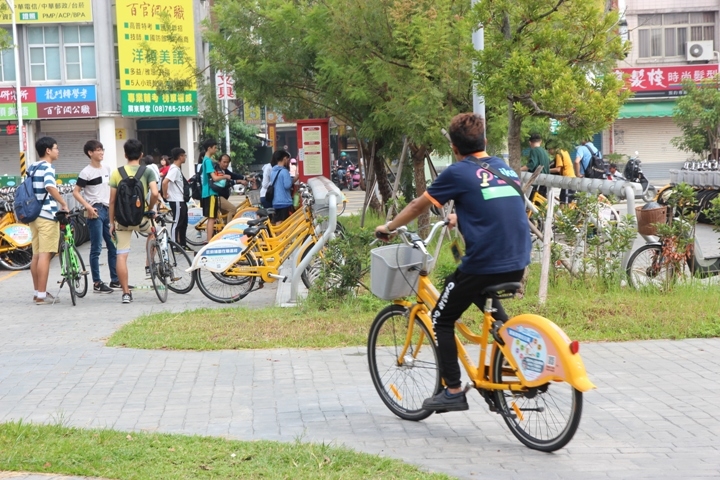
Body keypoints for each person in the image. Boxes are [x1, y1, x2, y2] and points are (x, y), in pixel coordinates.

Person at [375, 113, 531, 412]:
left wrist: (389, 227)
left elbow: (417, 205)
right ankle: (513, 360)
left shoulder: (458, 172)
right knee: (488, 306)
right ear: (484, 141)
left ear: (455, 149)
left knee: (441, 318)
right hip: (518, 259)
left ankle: (453, 390)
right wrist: (463, 215)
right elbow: (499, 203)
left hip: (484, 262)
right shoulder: (502, 167)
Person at [109, 139, 159, 304]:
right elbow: (155, 193)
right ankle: (149, 262)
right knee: (154, 233)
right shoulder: (147, 171)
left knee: (121, 255)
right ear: (142, 154)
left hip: (122, 220)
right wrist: (150, 208)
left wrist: (111, 223)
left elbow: (112, 201)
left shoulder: (117, 173)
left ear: (125, 154)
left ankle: (125, 293)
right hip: (142, 218)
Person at [73, 140, 118, 294]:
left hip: (107, 209)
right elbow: (76, 192)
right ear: (90, 153)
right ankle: (97, 283)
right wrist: (88, 206)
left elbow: (111, 189)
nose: (101, 152)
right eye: (97, 150)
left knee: (113, 246)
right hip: (95, 211)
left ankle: (115, 280)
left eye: (102, 150)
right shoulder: (86, 172)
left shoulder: (107, 168)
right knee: (96, 248)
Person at [30, 136, 69, 305]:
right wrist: (63, 202)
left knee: (37, 255)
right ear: (48, 150)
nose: (57, 151)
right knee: (45, 256)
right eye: (56, 148)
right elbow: (49, 186)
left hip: (34, 215)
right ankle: (41, 296)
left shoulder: (31, 167)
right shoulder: (47, 167)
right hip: (46, 215)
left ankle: (37, 292)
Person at [200, 139, 229, 241]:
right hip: (210, 192)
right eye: (215, 147)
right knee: (212, 218)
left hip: (208, 192)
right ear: (209, 148)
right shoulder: (208, 161)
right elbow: (215, 178)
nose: (216, 149)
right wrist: (225, 176)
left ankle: (210, 240)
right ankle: (209, 241)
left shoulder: (206, 160)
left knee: (212, 217)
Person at [162, 147, 190, 250]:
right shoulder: (174, 169)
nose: (185, 158)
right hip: (176, 200)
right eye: (184, 155)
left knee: (183, 223)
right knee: (177, 223)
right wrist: (165, 195)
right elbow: (165, 182)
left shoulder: (176, 169)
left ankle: (182, 244)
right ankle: (174, 245)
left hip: (180, 200)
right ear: (180, 157)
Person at [217, 153, 247, 221]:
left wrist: (245, 178)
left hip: (222, 197)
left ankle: (224, 229)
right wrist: (239, 181)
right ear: (219, 162)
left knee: (227, 214)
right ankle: (229, 230)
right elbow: (226, 182)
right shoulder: (217, 171)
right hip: (217, 196)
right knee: (232, 209)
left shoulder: (224, 170)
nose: (226, 164)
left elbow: (233, 175)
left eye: (227, 162)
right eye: (224, 162)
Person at [520, 133, 551, 199]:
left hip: (537, 182)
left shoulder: (534, 151)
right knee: (541, 203)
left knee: (531, 203)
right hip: (545, 180)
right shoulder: (544, 151)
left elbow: (531, 165)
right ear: (540, 141)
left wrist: (519, 169)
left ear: (530, 142)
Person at [546, 140, 576, 204]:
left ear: (553, 147)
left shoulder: (558, 154)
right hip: (568, 179)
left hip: (568, 180)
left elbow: (558, 169)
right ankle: (562, 213)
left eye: (549, 149)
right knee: (562, 200)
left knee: (565, 202)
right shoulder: (564, 151)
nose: (548, 152)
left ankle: (565, 213)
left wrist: (546, 170)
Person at [269, 150, 293, 224]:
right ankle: (282, 236)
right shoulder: (284, 171)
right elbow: (287, 185)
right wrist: (293, 180)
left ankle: (277, 235)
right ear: (285, 158)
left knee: (278, 222)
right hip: (284, 201)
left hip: (275, 201)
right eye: (288, 159)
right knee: (285, 223)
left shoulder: (273, 171)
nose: (288, 161)